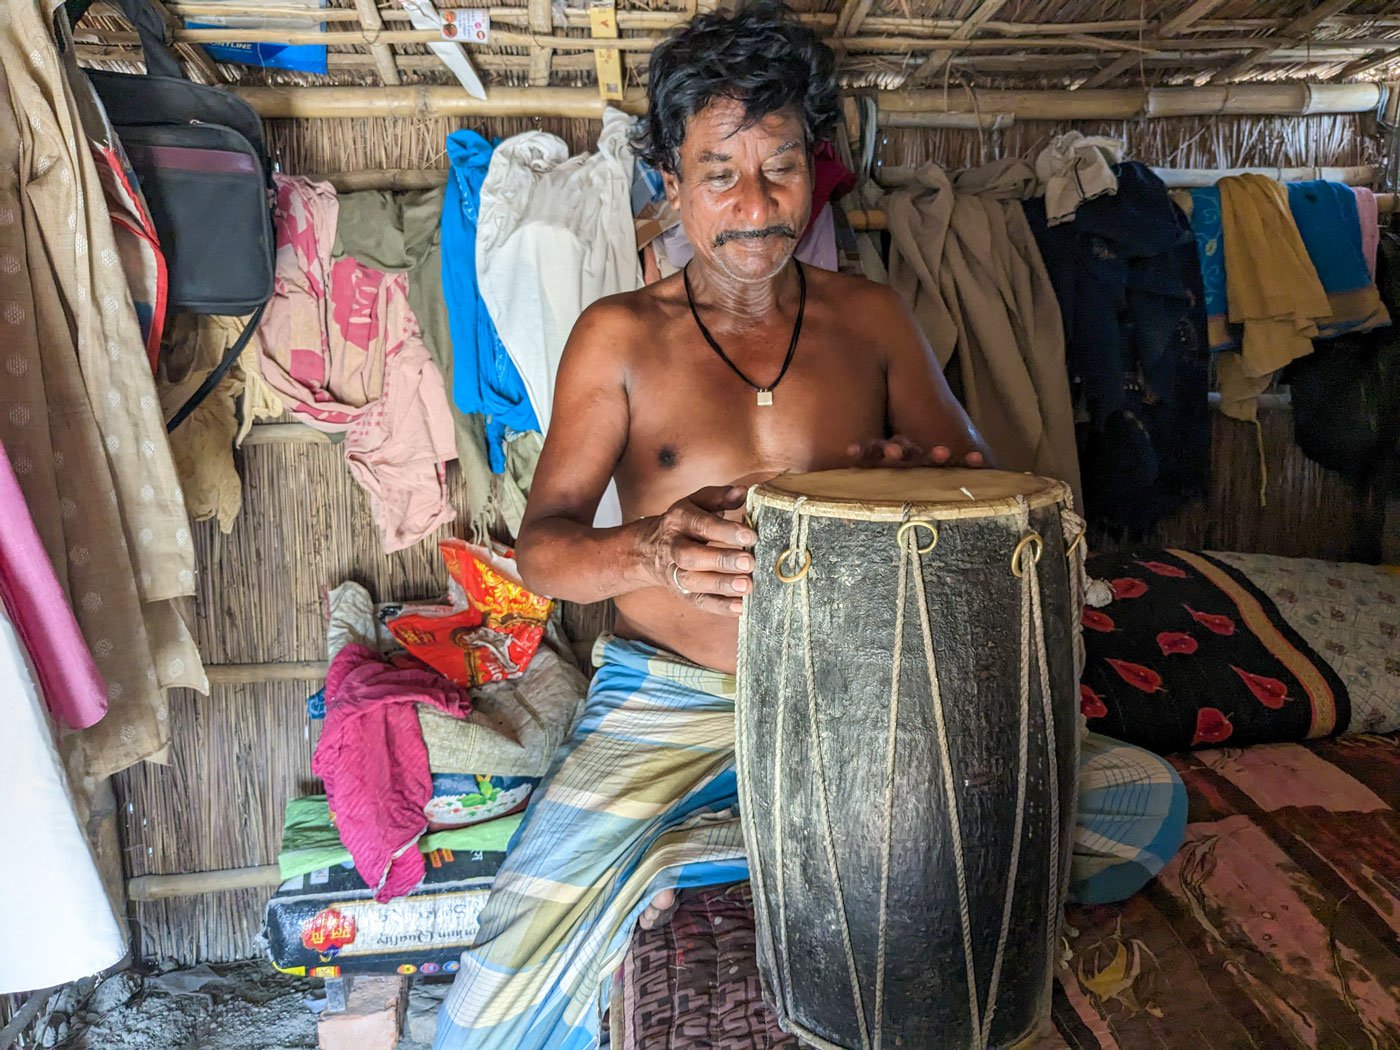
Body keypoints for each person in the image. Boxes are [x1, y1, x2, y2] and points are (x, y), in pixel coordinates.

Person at [434, 6, 1186, 1048]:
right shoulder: (617, 337)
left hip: (868, 693)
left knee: (1129, 805)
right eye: (719, 172)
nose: (753, 204)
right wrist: (647, 548)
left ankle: (723, 849)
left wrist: (901, 479)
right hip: (675, 697)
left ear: (815, 169)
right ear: (668, 176)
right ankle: (726, 844)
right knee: (486, 1005)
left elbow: (970, 484)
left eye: (780, 168)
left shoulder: (867, 319)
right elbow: (545, 551)